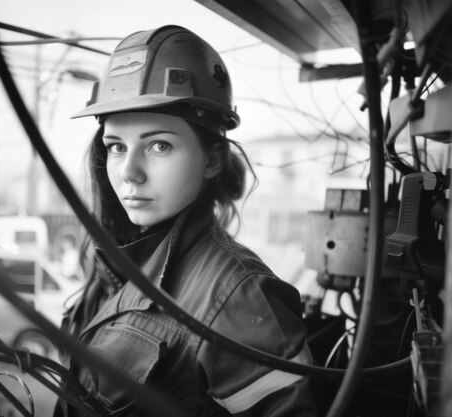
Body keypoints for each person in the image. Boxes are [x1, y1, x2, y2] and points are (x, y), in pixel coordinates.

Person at [57, 25, 317, 416]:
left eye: (159, 145)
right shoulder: (120, 261)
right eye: (116, 147)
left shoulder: (240, 296)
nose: (129, 172)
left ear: (212, 159)